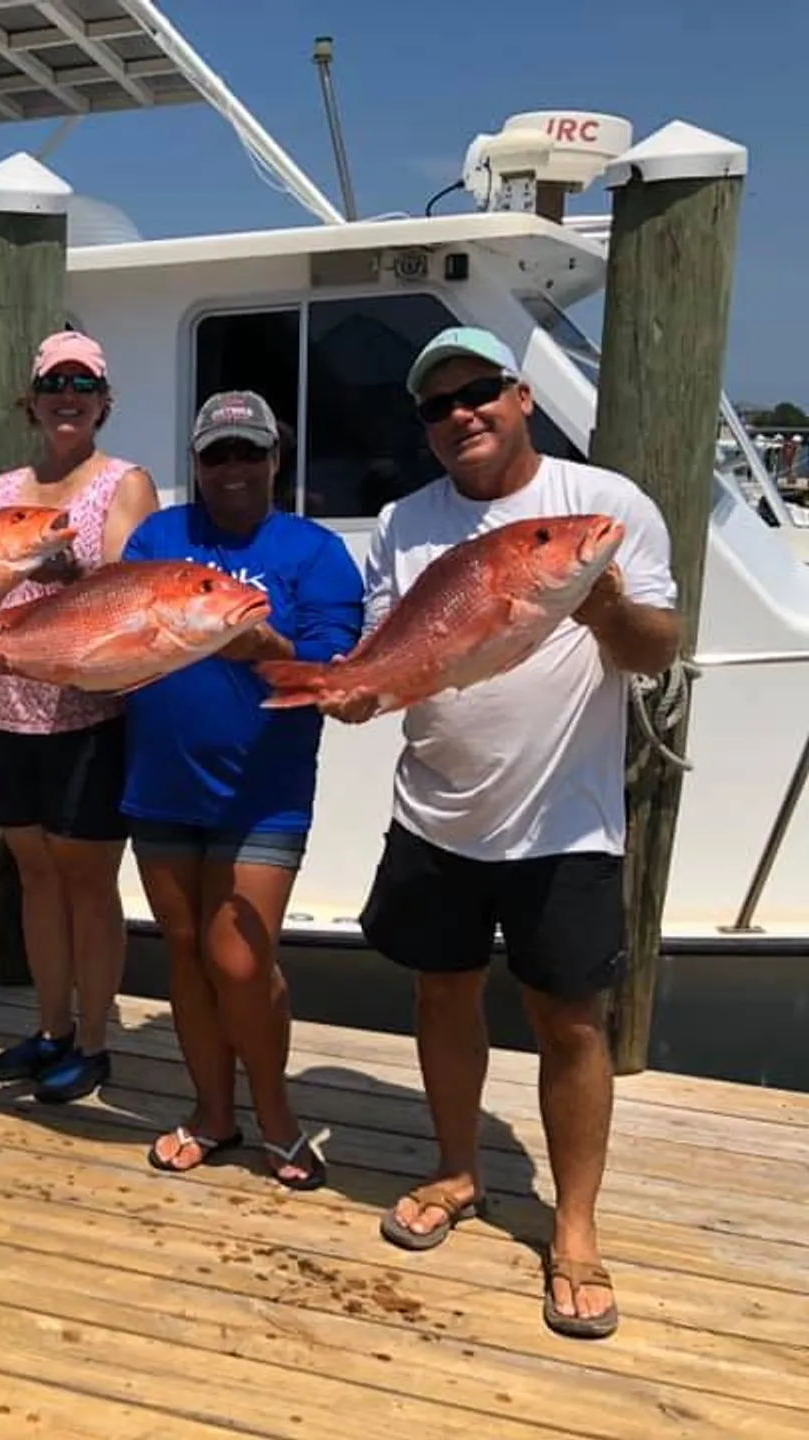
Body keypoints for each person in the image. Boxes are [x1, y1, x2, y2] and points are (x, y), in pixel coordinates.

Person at [337, 326, 681, 1340]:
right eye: (436, 406)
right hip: (436, 807)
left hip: (563, 820)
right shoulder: (404, 521)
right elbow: (395, 651)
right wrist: (357, 691)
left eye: (478, 391)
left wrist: (604, 602)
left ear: (521, 395)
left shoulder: (604, 508)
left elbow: (657, 647)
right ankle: (457, 1171)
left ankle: (574, 1228)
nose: (459, 416)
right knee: (440, 992)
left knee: (571, 1020)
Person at [121, 390, 363, 1188]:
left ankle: (279, 1118)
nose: (233, 469)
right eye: (216, 454)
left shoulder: (315, 552)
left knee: (239, 957)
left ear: (274, 459)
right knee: (186, 955)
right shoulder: (158, 537)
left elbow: (328, 670)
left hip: (265, 790)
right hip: (160, 782)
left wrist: (264, 645)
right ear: (196, 462)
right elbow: (115, 633)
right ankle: (212, 1113)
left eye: (248, 453)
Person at [0, 331, 158, 1103]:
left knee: (88, 881)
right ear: (32, 399)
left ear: (104, 400)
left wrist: (69, 568)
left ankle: (95, 1037)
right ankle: (49, 1027)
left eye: (84, 382)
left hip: (84, 711)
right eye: (54, 382)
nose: (68, 394)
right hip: (2, 706)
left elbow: (124, 589)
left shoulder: (124, 482)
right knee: (35, 877)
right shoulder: (3, 488)